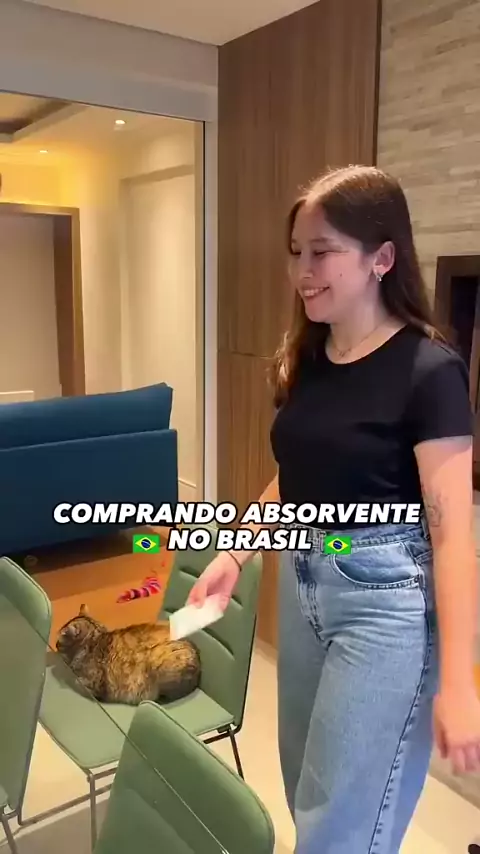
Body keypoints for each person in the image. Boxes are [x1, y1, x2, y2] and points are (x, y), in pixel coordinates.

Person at [187, 165, 480, 853]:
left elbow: (453, 537)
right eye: (297, 252)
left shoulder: (430, 371)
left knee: (338, 832)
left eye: (322, 251)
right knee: (307, 795)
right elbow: (293, 480)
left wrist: (462, 685)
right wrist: (234, 553)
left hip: (386, 603)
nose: (302, 272)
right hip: (304, 583)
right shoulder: (312, 356)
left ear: (382, 258)